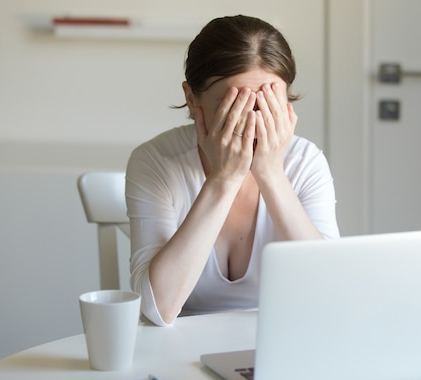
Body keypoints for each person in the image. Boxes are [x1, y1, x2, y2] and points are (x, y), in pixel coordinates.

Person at [126, 15, 339, 326]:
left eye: (267, 107)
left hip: (280, 340)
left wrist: (271, 174)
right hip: (181, 349)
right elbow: (158, 308)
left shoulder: (306, 162)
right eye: (232, 107)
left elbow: (331, 293)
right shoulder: (155, 161)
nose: (251, 124)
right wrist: (223, 180)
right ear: (191, 99)